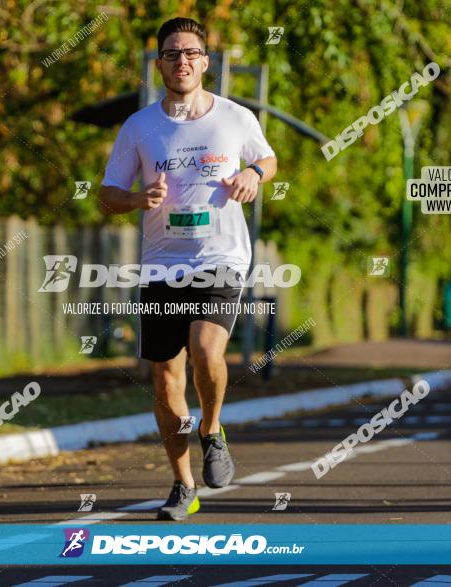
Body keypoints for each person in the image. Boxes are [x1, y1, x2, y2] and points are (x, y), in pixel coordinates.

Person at [98, 17, 277, 520]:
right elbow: (107, 195)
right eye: (173, 54)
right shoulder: (139, 127)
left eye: (192, 53)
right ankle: (183, 487)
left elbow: (269, 159)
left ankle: (212, 428)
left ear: (206, 62)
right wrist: (136, 198)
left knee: (205, 349)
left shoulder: (235, 118)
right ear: (160, 65)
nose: (183, 61)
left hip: (220, 256)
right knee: (164, 379)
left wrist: (252, 174)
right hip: (161, 265)